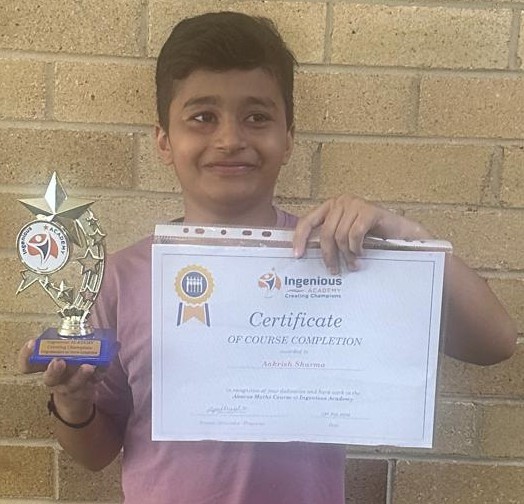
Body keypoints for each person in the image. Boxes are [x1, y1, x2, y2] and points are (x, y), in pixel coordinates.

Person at [19, 11, 517, 504]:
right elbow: (96, 453)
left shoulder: (336, 256)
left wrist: (406, 235)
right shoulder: (120, 279)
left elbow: (494, 343)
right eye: (202, 117)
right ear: (164, 141)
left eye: (257, 117)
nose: (230, 139)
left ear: (288, 139)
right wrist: (74, 403)